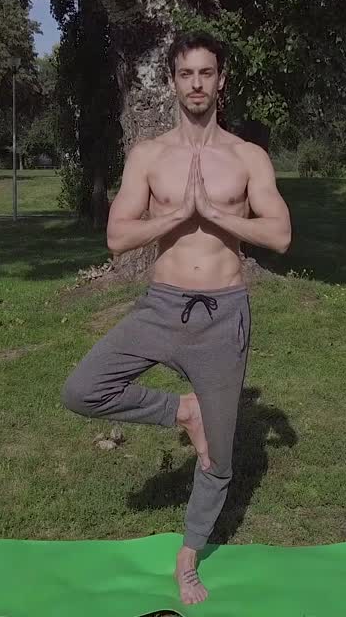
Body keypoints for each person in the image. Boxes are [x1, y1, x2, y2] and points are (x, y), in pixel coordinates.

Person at [61, 31, 292, 605]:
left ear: (221, 80)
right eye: (186, 73)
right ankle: (180, 411)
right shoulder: (148, 156)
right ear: (171, 82)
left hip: (223, 314)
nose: (196, 84)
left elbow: (280, 235)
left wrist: (214, 213)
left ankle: (188, 556)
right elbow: (117, 237)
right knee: (83, 389)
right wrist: (177, 217)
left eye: (206, 73)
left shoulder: (247, 157)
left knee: (218, 456)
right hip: (161, 307)